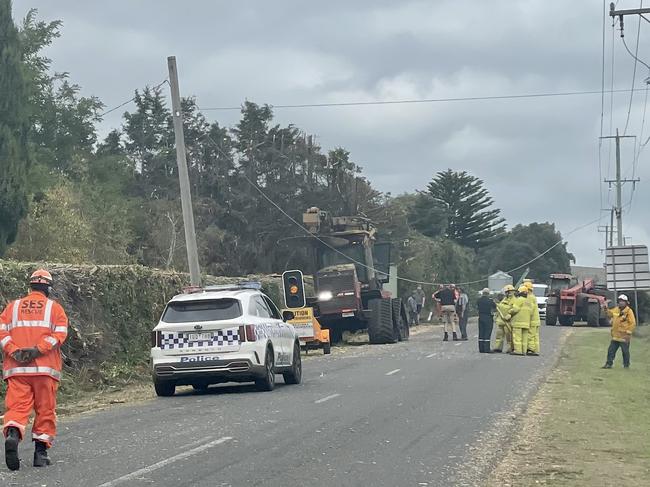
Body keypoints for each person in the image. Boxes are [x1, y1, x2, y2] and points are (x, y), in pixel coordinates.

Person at [0, 270, 69, 471]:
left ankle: (13, 434)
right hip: (44, 370)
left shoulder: (12, 307)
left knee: (17, 408)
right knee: (45, 410)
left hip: (17, 369)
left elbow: (2, 333)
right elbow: (59, 335)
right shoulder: (54, 309)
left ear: (30, 287)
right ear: (48, 288)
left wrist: (14, 351)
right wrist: (37, 350)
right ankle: (40, 454)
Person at [602, 294, 636, 369]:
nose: (621, 303)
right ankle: (608, 364)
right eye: (620, 301)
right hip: (615, 336)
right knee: (611, 351)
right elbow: (609, 314)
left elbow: (633, 323)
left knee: (625, 352)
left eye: (623, 301)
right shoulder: (616, 309)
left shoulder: (629, 311)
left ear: (626, 303)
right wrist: (605, 308)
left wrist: (628, 333)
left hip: (624, 336)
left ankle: (626, 365)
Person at [509, 285, 533, 356]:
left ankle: (518, 351)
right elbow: (531, 312)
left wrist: (509, 311)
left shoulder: (519, 299)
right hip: (526, 323)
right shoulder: (528, 301)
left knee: (517, 337)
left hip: (518, 322)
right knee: (525, 338)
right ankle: (524, 351)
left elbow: (515, 309)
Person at [493, 285, 516, 353]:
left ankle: (510, 348)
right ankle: (498, 348)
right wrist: (496, 316)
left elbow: (514, 310)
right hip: (501, 321)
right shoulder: (504, 299)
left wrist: (509, 315)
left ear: (509, 292)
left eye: (506, 292)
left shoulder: (514, 300)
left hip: (508, 322)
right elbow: (500, 308)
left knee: (508, 336)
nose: (505, 293)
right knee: (499, 335)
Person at [524, 280, 541, 356]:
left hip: (532, 320)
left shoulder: (529, 297)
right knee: (535, 336)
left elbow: (530, 310)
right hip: (536, 320)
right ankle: (535, 349)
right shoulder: (533, 297)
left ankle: (530, 349)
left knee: (530, 335)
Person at [477, 288, 496, 353]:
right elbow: (495, 307)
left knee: (481, 333)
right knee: (487, 333)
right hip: (488, 317)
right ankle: (487, 349)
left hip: (481, 317)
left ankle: (481, 349)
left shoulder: (479, 300)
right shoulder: (490, 301)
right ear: (488, 294)